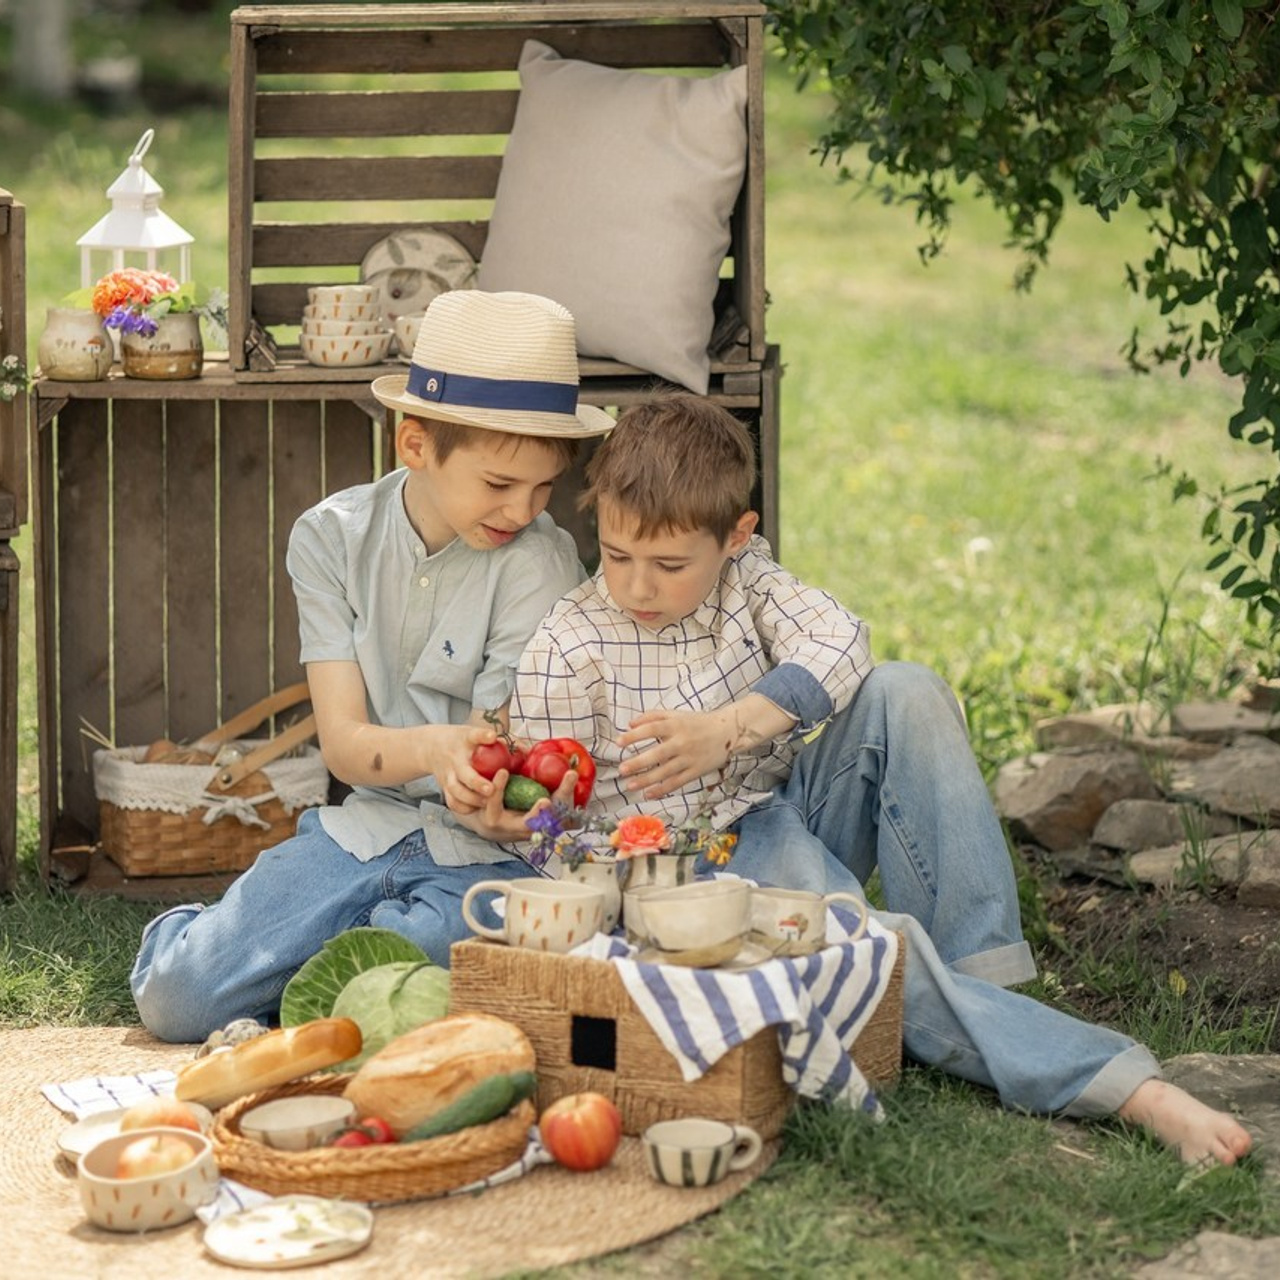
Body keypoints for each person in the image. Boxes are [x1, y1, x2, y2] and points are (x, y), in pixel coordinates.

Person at [508, 394, 1253, 1167]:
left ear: (736, 537)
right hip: (700, 873)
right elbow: (550, 834)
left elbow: (841, 641)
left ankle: (979, 982)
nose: (635, 587)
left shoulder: (748, 581)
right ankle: (1119, 1084)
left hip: (782, 808)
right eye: (617, 554)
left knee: (907, 689)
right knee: (862, 939)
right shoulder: (569, 643)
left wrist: (729, 729)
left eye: (669, 566)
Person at [130, 290, 614, 1043]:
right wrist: (433, 750)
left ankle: (306, 971)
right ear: (414, 443)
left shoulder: (540, 566)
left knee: (402, 982)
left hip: (483, 856)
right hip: (364, 827)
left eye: (543, 487)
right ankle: (211, 938)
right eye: (498, 484)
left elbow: (502, 755)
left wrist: (490, 795)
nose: (523, 510)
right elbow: (346, 746)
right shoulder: (330, 538)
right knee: (178, 1005)